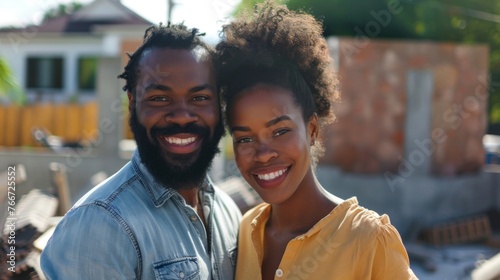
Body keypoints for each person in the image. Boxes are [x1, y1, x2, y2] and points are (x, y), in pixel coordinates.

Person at [214, 2, 418, 279]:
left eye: (280, 131)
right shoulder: (245, 232)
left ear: (311, 129)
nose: (263, 154)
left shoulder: (367, 240)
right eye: (245, 138)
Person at [41, 23, 241, 279]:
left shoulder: (228, 212)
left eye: (199, 98)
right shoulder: (101, 225)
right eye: (160, 98)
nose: (181, 117)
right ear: (133, 104)